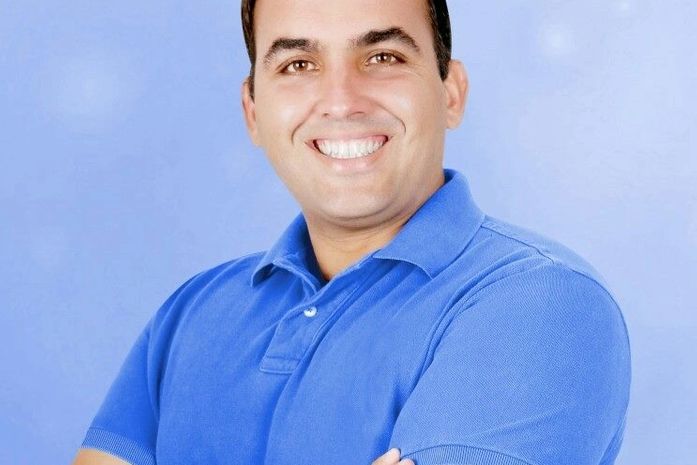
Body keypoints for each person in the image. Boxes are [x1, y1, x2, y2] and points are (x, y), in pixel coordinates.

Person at [72, 0, 631, 464]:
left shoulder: (540, 304)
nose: (341, 101)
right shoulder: (191, 314)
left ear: (451, 93)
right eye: (298, 65)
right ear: (253, 111)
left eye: (383, 56)